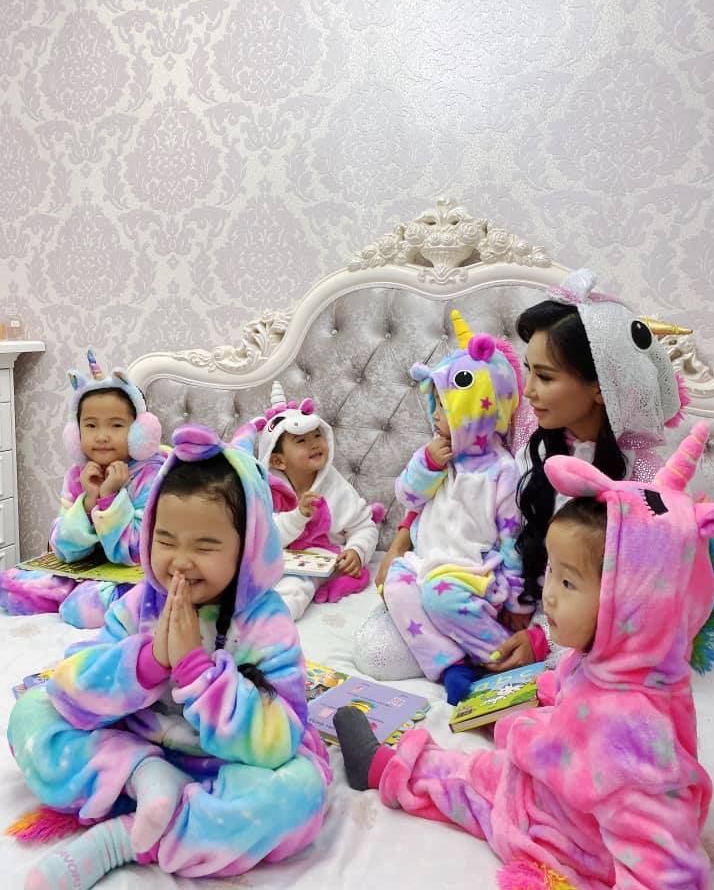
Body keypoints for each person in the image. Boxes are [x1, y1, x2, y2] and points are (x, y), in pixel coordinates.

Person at [335, 423, 714, 890]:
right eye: (552, 573)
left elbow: (666, 868)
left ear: (635, 604)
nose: (549, 595)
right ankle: (389, 764)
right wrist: (538, 693)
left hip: (570, 834)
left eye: (568, 582)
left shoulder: (634, 735)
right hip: (561, 785)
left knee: (475, 785)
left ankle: (387, 769)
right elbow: (577, 694)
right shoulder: (617, 665)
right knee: (488, 759)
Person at [7, 423, 331, 888]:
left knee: (301, 793)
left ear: (247, 549)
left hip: (224, 767)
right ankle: (143, 778)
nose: (180, 560)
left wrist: (196, 671)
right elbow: (71, 691)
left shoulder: (265, 623)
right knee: (31, 714)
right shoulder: (141, 603)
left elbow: (278, 739)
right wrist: (149, 662)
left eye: (205, 545)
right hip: (131, 751)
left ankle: (126, 838)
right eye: (165, 540)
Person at [371, 270, 688, 676]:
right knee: (377, 654)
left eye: (546, 376)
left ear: (600, 386)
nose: (529, 390)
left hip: (569, 623)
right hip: (479, 588)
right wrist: (400, 541)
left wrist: (541, 638)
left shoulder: (639, 475)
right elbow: (452, 477)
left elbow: (637, 593)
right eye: (528, 371)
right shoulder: (523, 431)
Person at [355, 311, 525, 703]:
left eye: (444, 407)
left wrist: (517, 598)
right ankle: (449, 663)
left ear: (478, 410)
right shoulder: (434, 456)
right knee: (395, 587)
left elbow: (512, 536)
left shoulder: (502, 470)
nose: (434, 416)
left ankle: (499, 658)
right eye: (434, 404)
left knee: (440, 597)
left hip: (471, 569)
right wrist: (428, 464)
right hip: (424, 560)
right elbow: (408, 497)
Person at [0, 350, 165, 627]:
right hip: (89, 571)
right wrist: (88, 501)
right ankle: (71, 595)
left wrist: (110, 498)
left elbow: (136, 551)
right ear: (76, 434)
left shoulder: (152, 476)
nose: (101, 436)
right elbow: (62, 549)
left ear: (139, 432)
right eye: (90, 425)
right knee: (10, 584)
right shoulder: (79, 475)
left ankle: (116, 605)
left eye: (116, 425)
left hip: (135, 572)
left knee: (83, 607)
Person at [254, 381, 379, 620]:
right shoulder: (266, 491)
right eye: (301, 441)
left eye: (317, 435)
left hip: (317, 557)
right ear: (278, 461)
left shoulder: (334, 486)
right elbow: (265, 536)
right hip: (275, 555)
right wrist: (298, 516)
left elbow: (364, 526)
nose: (314, 443)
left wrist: (357, 551)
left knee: (297, 585)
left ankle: (274, 620)